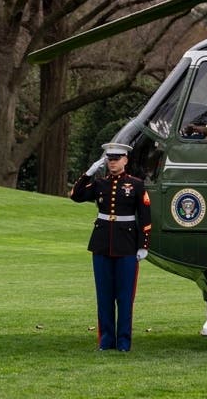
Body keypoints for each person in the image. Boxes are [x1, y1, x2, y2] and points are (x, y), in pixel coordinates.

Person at [70, 142, 151, 352]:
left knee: (125, 297)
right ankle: (106, 340)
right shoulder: (100, 184)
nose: (112, 163)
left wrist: (143, 245)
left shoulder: (136, 184)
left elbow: (145, 217)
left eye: (116, 159)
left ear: (125, 160)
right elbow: (75, 195)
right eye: (109, 160)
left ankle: (123, 341)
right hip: (102, 244)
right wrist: (88, 173)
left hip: (126, 246)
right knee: (104, 296)